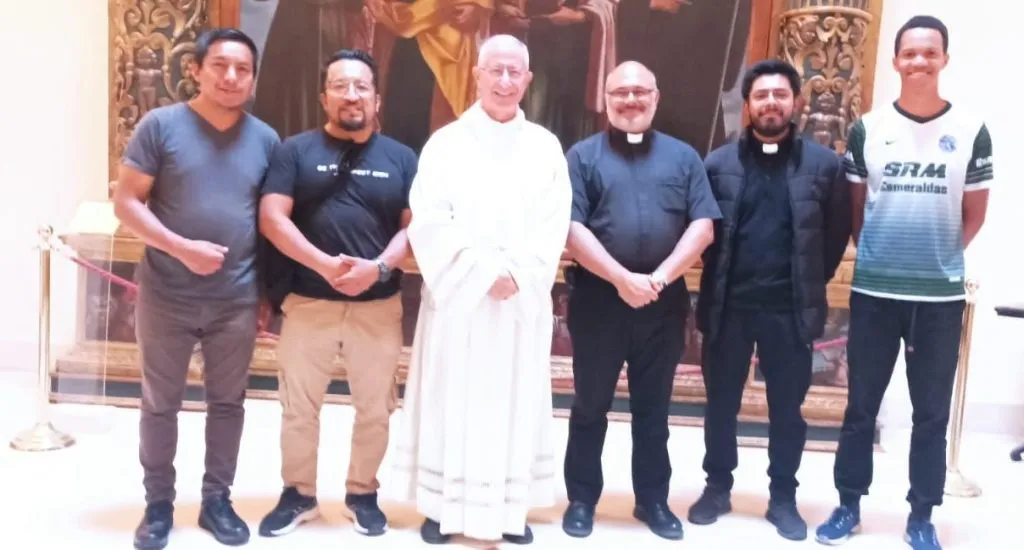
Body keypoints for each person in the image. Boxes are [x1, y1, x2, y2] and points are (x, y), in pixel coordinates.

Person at [815, 16, 992, 550]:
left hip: (938, 299)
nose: (919, 61)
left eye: (929, 53)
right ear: (895, 61)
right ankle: (848, 504)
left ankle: (921, 516)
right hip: (875, 295)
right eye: (910, 53)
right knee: (860, 407)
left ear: (944, 59)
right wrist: (885, 257)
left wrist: (934, 259)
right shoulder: (868, 129)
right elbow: (857, 214)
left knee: (931, 415)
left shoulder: (970, 131)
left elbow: (974, 215)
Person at [388, 34, 572, 545]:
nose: (505, 81)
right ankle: (440, 507)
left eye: (515, 72)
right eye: (496, 70)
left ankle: (509, 510)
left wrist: (517, 274)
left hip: (517, 304)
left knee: (513, 405)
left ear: (527, 80)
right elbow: (429, 219)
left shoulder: (545, 148)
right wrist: (479, 273)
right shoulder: (446, 144)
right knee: (450, 401)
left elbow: (554, 223)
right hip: (459, 305)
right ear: (477, 75)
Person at [112, 28, 279, 550]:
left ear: (253, 78)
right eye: (220, 65)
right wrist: (180, 248)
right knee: (160, 403)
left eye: (242, 69)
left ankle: (217, 501)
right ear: (196, 70)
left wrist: (265, 294)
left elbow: (268, 223)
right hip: (168, 294)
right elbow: (127, 202)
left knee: (228, 403)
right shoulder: (160, 126)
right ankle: (158, 504)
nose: (231, 77)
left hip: (236, 298)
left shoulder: (266, 140)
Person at [255, 49, 418, 538]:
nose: (351, 95)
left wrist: (379, 267)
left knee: (376, 408)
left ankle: (362, 492)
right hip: (309, 302)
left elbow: (414, 227)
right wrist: (323, 265)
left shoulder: (402, 158)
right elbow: (272, 218)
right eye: (340, 86)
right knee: (298, 406)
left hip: (378, 306)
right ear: (324, 96)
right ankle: (298, 493)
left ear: (376, 98)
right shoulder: (294, 151)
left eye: (361, 86)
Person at [688, 59, 851, 541]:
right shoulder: (717, 165)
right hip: (728, 308)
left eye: (780, 94)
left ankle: (783, 497)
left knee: (787, 411)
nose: (771, 103)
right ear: (748, 105)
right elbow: (703, 232)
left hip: (789, 311)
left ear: (796, 102)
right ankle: (717, 487)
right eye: (761, 95)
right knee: (721, 405)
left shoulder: (825, 167)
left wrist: (808, 281)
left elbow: (834, 236)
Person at [560, 60, 719, 541]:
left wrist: (659, 279)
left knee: (654, 409)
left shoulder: (684, 158)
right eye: (620, 92)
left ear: (655, 97)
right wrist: (621, 278)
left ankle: (652, 500)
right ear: (606, 99)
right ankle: (582, 500)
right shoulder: (582, 156)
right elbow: (571, 228)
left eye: (639, 91)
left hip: (662, 304)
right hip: (598, 302)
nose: (630, 100)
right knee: (590, 405)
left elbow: (703, 226)